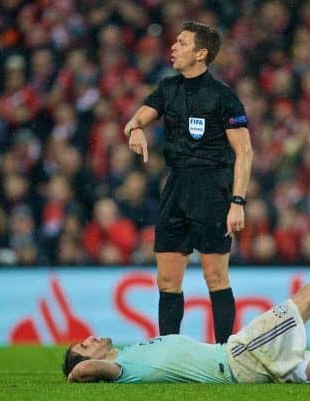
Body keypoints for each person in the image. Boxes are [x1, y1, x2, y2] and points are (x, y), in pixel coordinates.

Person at [62, 206, 310, 384]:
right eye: (84, 344)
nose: (91, 339)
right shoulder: (119, 370)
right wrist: (75, 370)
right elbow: (83, 371)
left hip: (241, 364)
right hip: (237, 356)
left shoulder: (129, 354)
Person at [123, 21, 253, 344]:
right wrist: (136, 128)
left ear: (201, 53)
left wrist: (237, 202)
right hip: (176, 186)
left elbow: (245, 151)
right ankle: (170, 352)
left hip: (212, 189)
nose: (173, 47)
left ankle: (225, 355)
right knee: (166, 280)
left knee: (215, 277)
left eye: (181, 43)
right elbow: (135, 118)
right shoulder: (168, 89)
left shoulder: (223, 96)